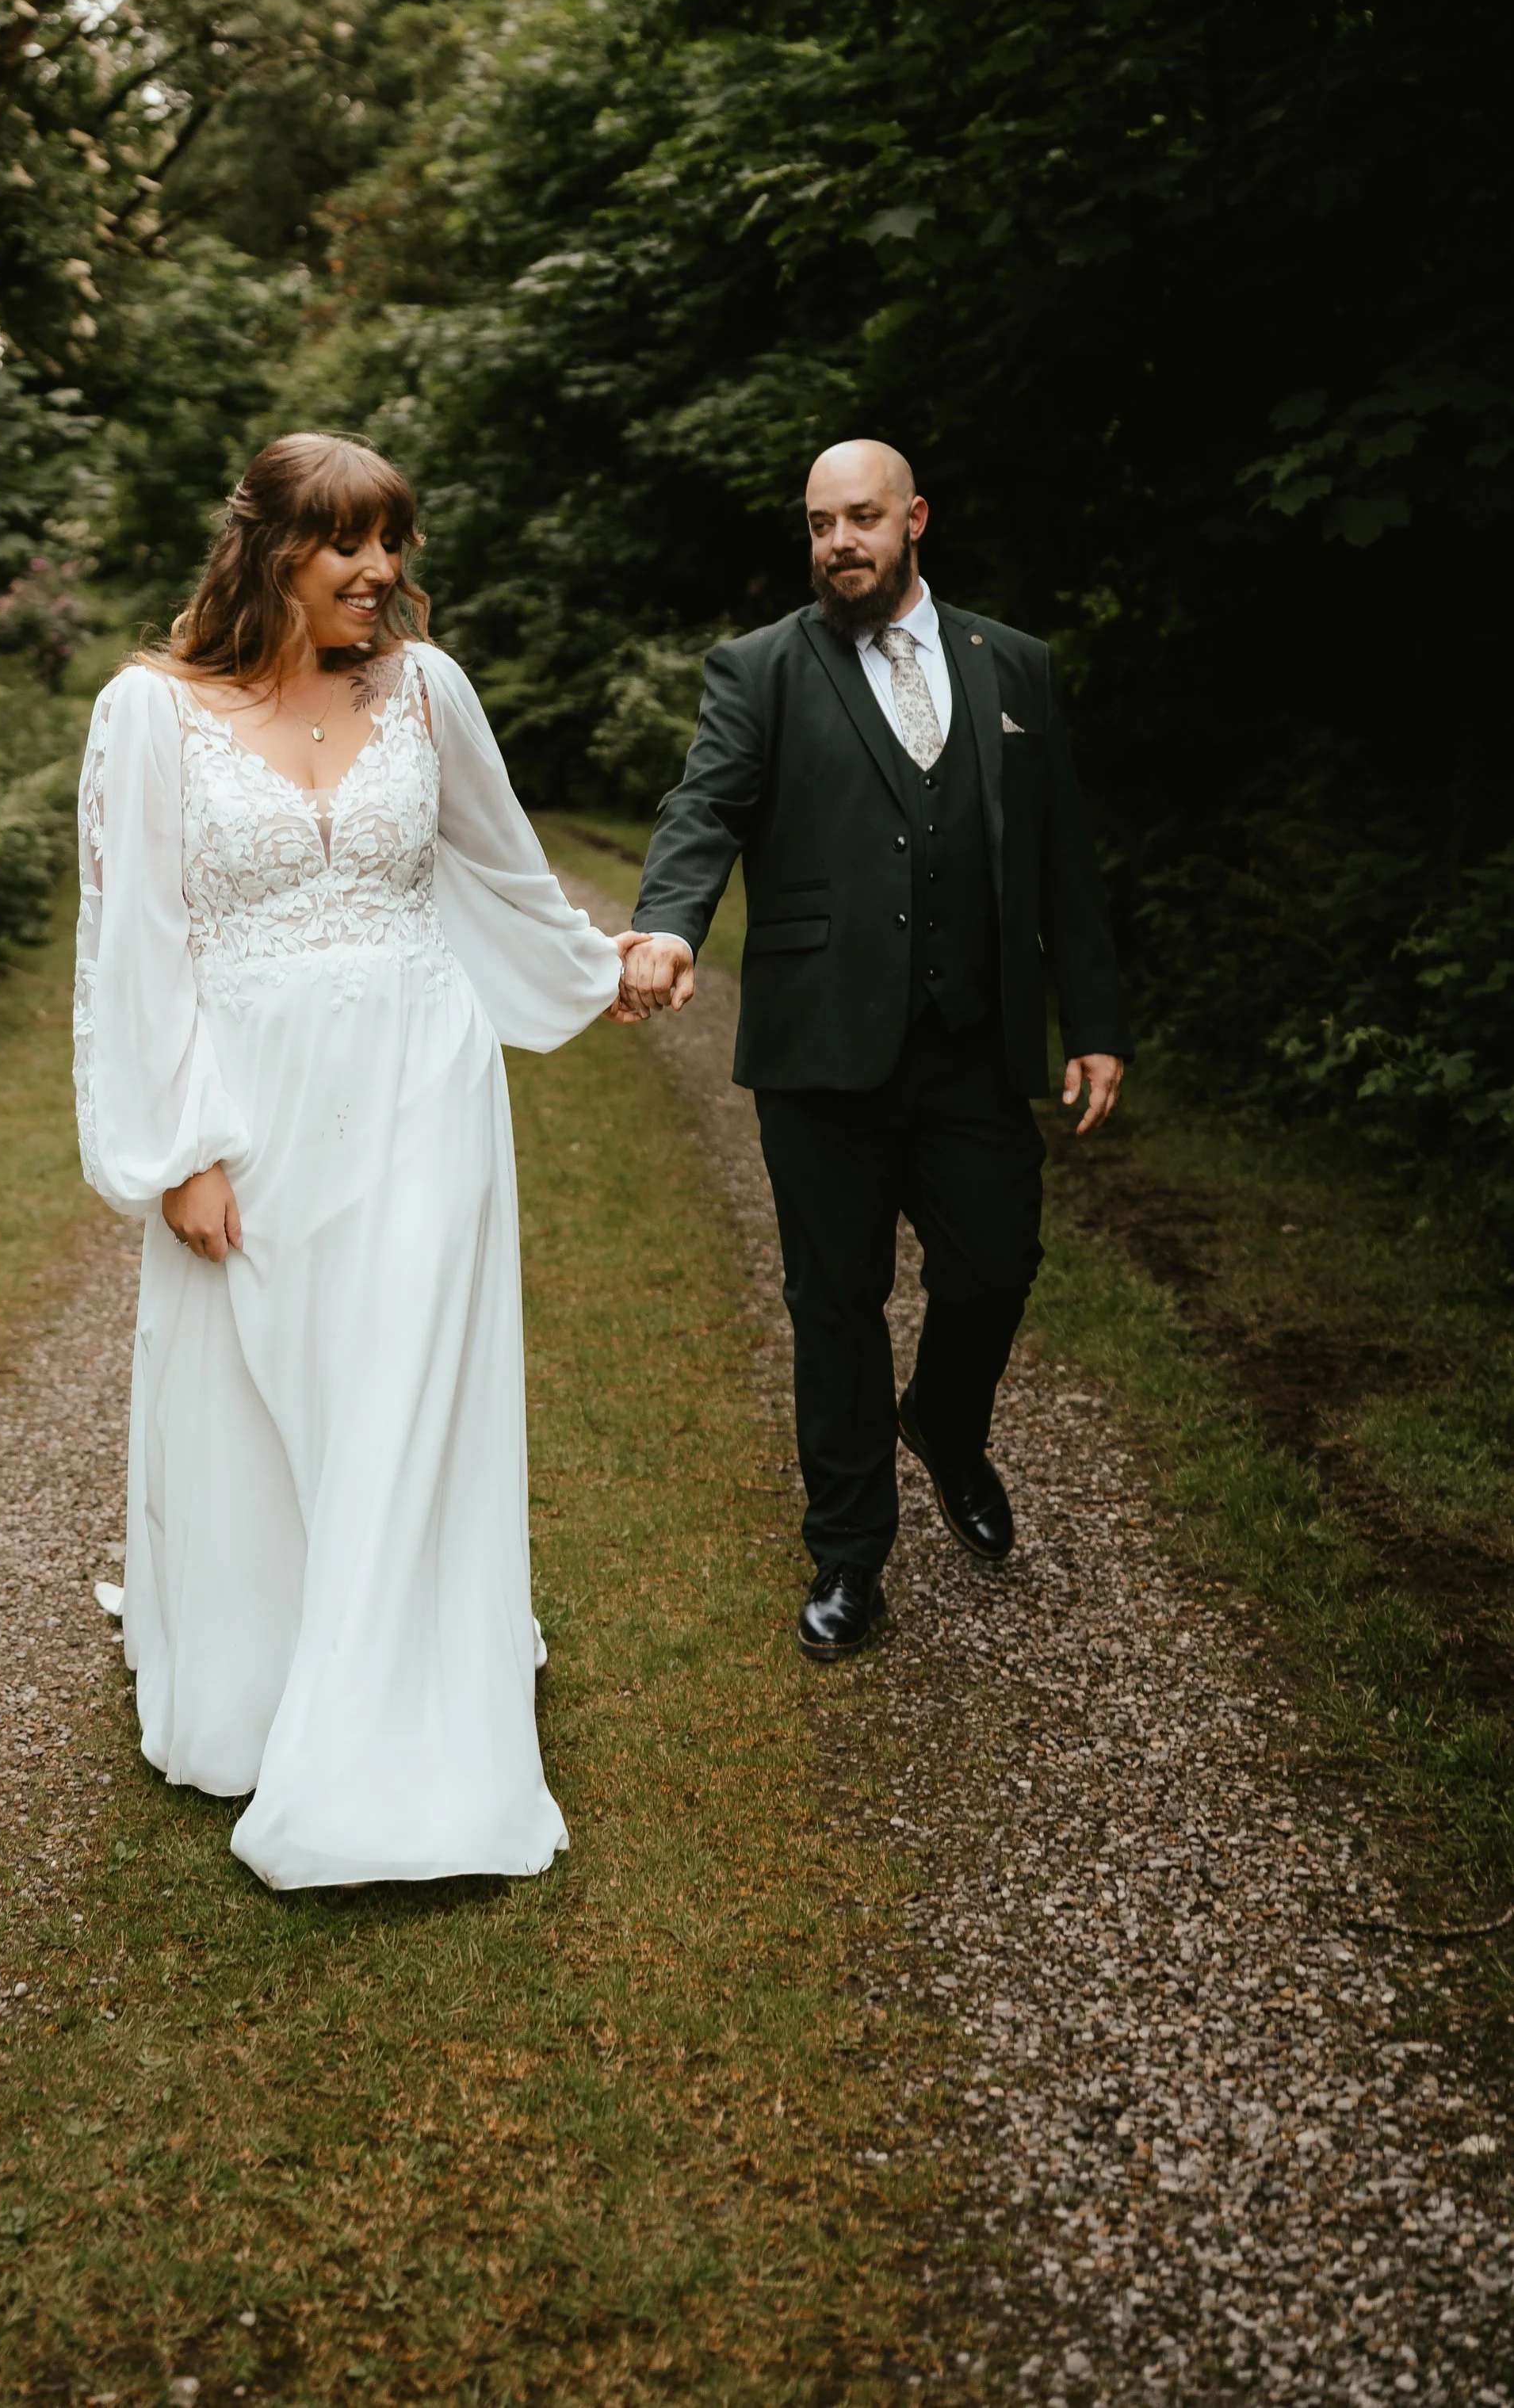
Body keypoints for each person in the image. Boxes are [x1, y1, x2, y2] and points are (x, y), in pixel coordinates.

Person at [73, 434, 640, 1889]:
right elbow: (133, 946)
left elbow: (504, 868)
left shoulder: (428, 693)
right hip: (252, 1112)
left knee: (403, 1394)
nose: (383, 575)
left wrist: (606, 963)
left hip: (422, 1088)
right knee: (268, 1404)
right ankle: (266, 1694)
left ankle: (398, 1731)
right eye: (349, 549)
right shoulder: (151, 714)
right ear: (268, 555)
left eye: (393, 543)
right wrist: (178, 1150)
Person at [620, 440, 1129, 1660]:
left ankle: (946, 1423)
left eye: (862, 518)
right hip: (819, 1047)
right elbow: (705, 807)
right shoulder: (761, 668)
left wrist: (1096, 1022)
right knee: (834, 1302)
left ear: (915, 520)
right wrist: (667, 926)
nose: (839, 541)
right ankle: (850, 1556)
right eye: (818, 522)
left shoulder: (1015, 665)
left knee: (996, 1260)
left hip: (970, 1045)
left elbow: (1061, 854)